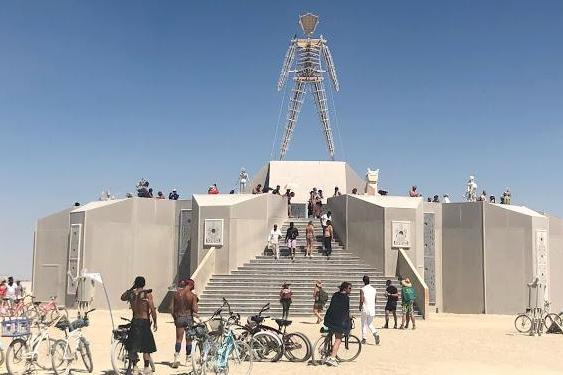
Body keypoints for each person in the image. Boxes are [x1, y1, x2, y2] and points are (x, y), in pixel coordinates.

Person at [121, 276, 157, 375]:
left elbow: (122, 297)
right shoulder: (147, 294)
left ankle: (135, 367)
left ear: (135, 283)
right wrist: (155, 322)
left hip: (135, 321)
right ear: (144, 284)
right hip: (144, 322)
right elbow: (152, 309)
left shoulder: (132, 294)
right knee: (146, 346)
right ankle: (146, 367)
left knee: (133, 346)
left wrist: (132, 288)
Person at [170, 279, 199, 368]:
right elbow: (195, 309)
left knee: (178, 339)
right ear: (191, 285)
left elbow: (171, 308)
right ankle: (188, 359)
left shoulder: (176, 294)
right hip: (188, 318)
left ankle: (176, 358)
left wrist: (175, 318)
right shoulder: (192, 296)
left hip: (179, 317)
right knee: (189, 339)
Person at [323, 282, 352, 367]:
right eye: (349, 288)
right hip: (337, 321)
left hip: (329, 318)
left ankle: (324, 350)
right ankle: (332, 358)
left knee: (330, 332)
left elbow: (333, 307)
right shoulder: (346, 298)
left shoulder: (335, 294)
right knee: (338, 339)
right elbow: (345, 311)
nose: (351, 290)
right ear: (345, 289)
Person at [359, 275, 380, 345]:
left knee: (363, 324)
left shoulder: (362, 289)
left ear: (363, 281)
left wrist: (360, 306)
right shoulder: (374, 289)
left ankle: (364, 338)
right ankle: (375, 333)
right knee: (370, 323)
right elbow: (376, 299)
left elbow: (362, 300)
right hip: (372, 308)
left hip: (365, 308)